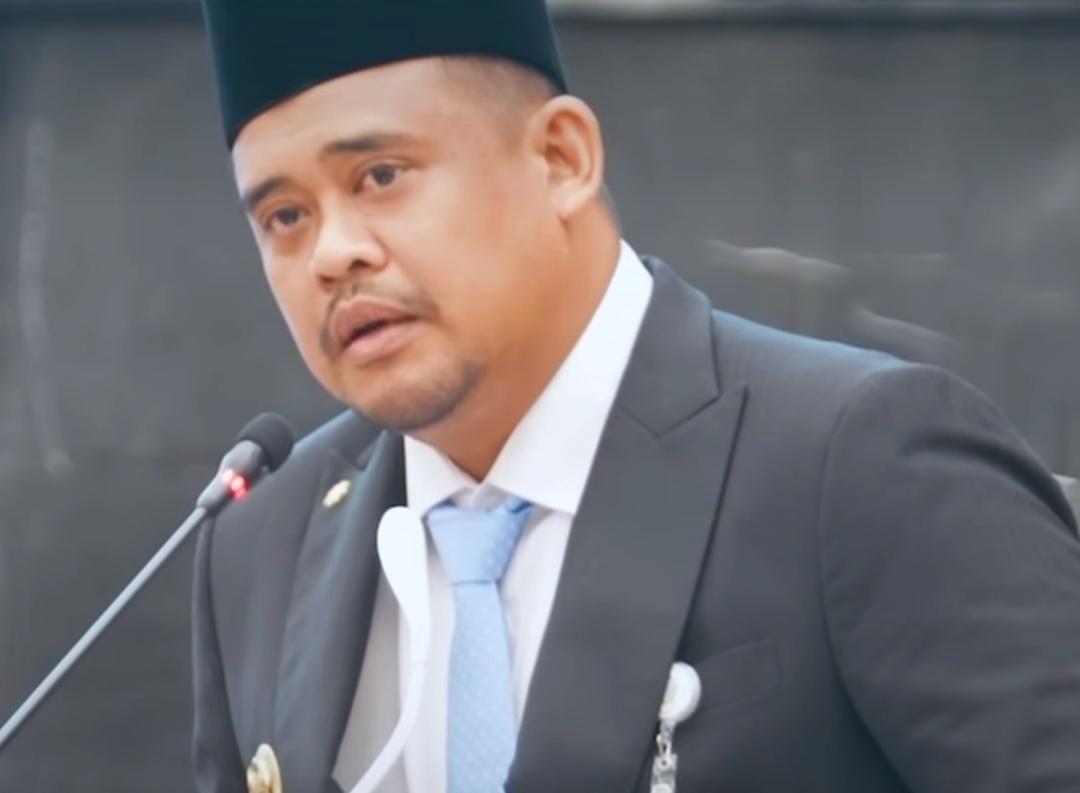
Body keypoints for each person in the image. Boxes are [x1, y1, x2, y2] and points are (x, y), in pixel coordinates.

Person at [191, 0, 1080, 791]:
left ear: (560, 157)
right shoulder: (261, 540)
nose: (331, 253)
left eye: (380, 175)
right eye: (284, 217)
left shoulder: (855, 462)